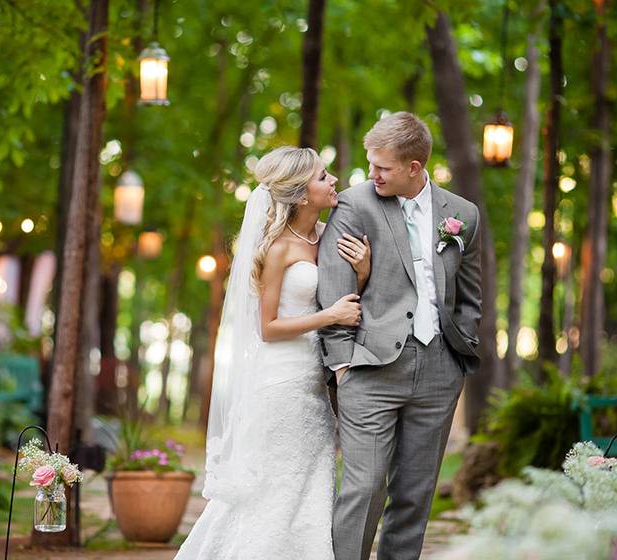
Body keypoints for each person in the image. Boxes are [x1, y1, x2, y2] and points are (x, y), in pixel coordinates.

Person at [175, 146, 370, 560]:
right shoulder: (278, 248)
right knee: (273, 490)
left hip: (316, 383)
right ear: (301, 195)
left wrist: (364, 271)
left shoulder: (329, 236)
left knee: (309, 486)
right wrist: (330, 316)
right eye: (322, 176)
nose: (333, 180)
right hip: (280, 381)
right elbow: (268, 328)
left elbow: (346, 294)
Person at [317, 111, 482, 560]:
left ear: (415, 167)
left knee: (415, 495)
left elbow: (470, 295)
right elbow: (333, 284)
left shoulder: (463, 215)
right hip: (369, 368)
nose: (373, 175)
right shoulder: (355, 204)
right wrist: (342, 362)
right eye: (371, 165)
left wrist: (460, 354)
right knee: (364, 487)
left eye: (382, 167)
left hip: (439, 371)